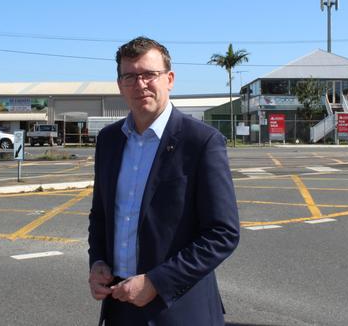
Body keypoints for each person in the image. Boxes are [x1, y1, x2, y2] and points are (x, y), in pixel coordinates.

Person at [88, 36, 240, 325]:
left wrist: (157, 282)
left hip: (179, 310)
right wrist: (97, 263)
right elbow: (101, 216)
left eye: (149, 74)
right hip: (119, 306)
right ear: (120, 85)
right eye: (130, 76)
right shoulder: (108, 141)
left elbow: (223, 233)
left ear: (169, 79)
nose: (140, 84)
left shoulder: (202, 141)